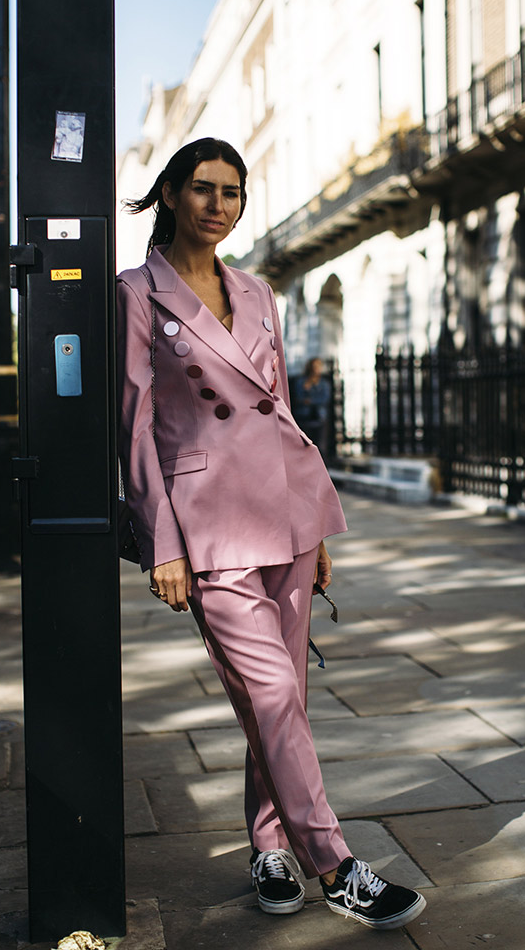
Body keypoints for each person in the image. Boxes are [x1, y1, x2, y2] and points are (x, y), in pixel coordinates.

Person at [117, 137, 426, 930]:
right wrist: (163, 542)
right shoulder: (136, 294)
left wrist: (315, 529)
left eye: (232, 192)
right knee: (274, 694)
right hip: (209, 527)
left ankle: (267, 848)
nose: (218, 205)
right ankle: (337, 866)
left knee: (280, 704)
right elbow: (135, 425)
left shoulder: (256, 291)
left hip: (288, 515)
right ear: (171, 196)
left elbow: (280, 407)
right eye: (202, 189)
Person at [292, 357, 331, 458]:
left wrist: (310, 401)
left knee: (320, 445)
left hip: (319, 417)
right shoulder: (302, 382)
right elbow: (299, 398)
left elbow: (324, 399)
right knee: (305, 445)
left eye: (318, 366)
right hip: (304, 417)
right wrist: (307, 389)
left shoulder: (324, 384)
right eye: (314, 366)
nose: (316, 369)